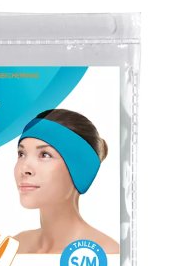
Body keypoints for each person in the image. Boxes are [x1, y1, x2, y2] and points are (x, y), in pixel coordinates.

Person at [13, 108, 119, 254]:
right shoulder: (17, 246)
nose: (24, 168)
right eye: (21, 154)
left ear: (79, 170)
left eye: (45, 155)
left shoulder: (107, 253)